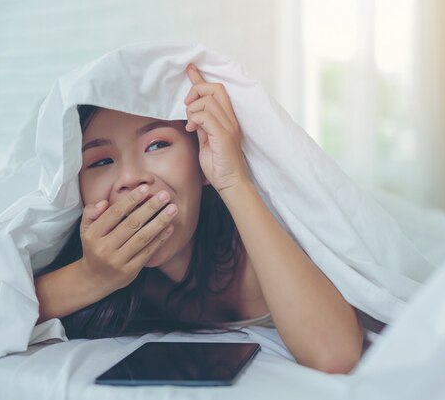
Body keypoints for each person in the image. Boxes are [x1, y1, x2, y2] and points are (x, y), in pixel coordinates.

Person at [34, 63, 364, 374]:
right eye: (101, 162)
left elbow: (334, 354)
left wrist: (234, 180)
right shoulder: (97, 269)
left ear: (201, 160)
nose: (130, 178)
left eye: (157, 144)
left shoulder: (258, 250)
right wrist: (93, 277)